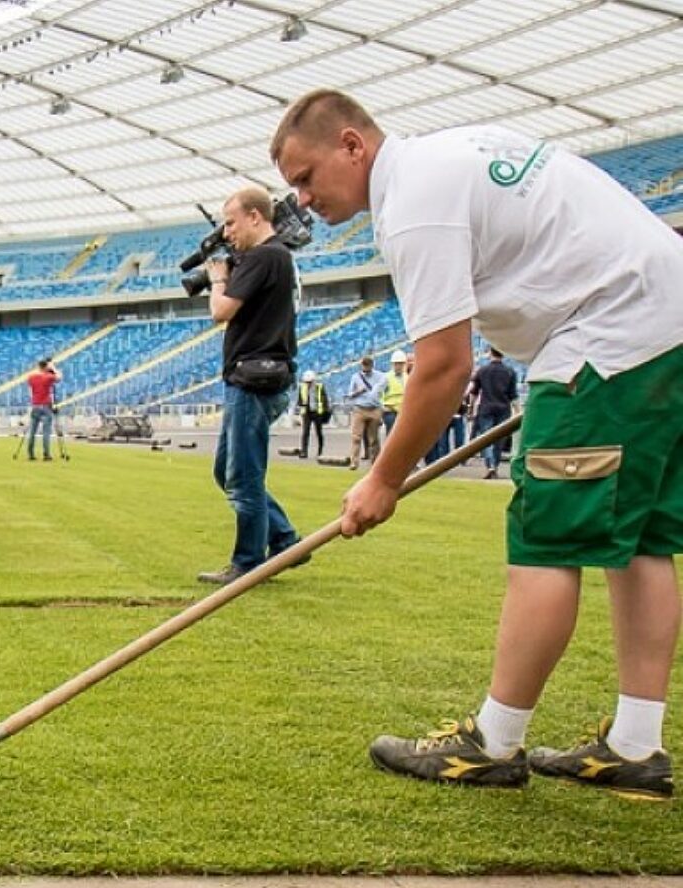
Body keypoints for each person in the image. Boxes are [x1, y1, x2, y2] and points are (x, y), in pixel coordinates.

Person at [273, 89, 681, 799]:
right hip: (661, 321)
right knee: (642, 538)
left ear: (352, 145)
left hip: (606, 336)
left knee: (544, 542)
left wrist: (383, 480)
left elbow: (443, 365)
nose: (303, 200)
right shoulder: (446, 155)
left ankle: (494, 742)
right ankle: (636, 746)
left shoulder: (411, 203)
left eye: (306, 178)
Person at [196, 185, 303, 586]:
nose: (227, 233)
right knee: (227, 471)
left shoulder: (263, 256)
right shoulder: (278, 256)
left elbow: (220, 311)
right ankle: (285, 540)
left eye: (231, 223)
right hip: (261, 374)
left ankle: (248, 563)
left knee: (242, 476)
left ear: (255, 217)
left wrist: (218, 279)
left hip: (252, 378)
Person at [470, 347, 520, 479]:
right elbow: (513, 395)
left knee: (486, 438)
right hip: (503, 408)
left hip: (486, 407)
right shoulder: (510, 371)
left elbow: (474, 392)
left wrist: (471, 408)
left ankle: (489, 464)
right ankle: (495, 465)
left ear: (490, 353)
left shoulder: (483, 370)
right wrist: (518, 411)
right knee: (499, 439)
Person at [25, 358, 60, 461]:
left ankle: (30, 453)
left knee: (32, 431)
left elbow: (30, 382)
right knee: (46, 431)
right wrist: (53, 367)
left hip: (35, 405)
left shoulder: (31, 377)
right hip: (45, 406)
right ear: (46, 367)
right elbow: (59, 378)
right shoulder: (48, 377)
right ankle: (46, 454)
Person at [296, 369, 331, 458]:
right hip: (306, 412)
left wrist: (326, 412)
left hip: (317, 412)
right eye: (306, 382)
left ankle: (320, 451)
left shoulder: (319, 387)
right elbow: (300, 400)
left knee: (318, 432)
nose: (308, 384)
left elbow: (325, 400)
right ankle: (304, 451)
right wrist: (300, 405)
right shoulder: (302, 387)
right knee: (305, 432)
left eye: (310, 382)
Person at [381, 350, 409, 435]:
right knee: (392, 432)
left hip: (404, 410)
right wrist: (382, 407)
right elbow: (378, 394)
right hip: (390, 411)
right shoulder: (386, 377)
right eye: (396, 364)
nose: (398, 366)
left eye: (400, 364)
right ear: (392, 365)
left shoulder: (407, 377)